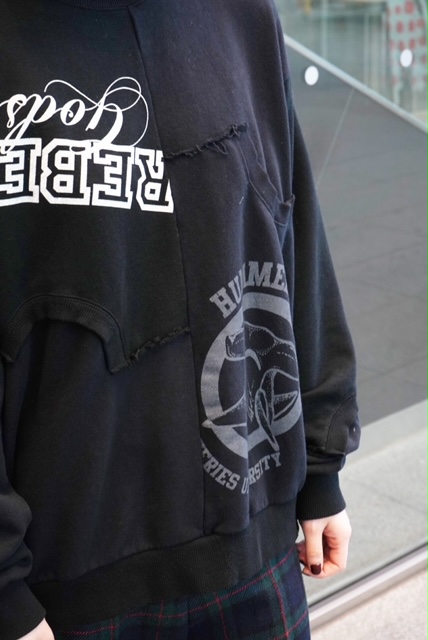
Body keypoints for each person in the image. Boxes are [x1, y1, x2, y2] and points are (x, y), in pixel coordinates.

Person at [0, 0, 360, 638]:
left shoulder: (242, 17)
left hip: (255, 553)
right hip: (69, 587)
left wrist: (320, 471)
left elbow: (290, 233)